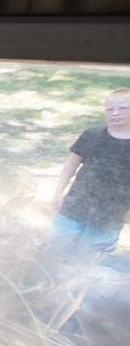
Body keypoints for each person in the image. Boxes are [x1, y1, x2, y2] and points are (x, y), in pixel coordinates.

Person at [51, 88, 130, 252]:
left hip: (111, 215)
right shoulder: (92, 135)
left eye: (123, 108)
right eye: (109, 109)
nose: (115, 113)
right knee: (54, 251)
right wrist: (58, 192)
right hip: (74, 206)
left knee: (92, 260)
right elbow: (71, 164)